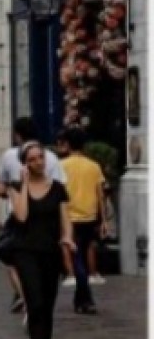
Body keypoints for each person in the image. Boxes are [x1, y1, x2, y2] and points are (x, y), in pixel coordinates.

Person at [6, 142, 76, 339]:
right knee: (34, 300)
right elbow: (22, 215)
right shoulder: (16, 187)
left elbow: (65, 218)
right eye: (32, 159)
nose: (38, 163)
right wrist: (25, 183)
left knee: (47, 304)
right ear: (24, 164)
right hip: (25, 251)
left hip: (50, 251)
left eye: (40, 158)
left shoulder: (57, 188)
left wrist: (67, 238)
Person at [0, 117, 67, 315]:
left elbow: (3, 183)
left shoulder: (9, 155)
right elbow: (62, 186)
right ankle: (30, 297)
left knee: (15, 260)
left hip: (20, 218)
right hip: (46, 219)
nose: (38, 162)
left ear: (17, 135)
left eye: (39, 159)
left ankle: (24, 295)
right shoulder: (51, 157)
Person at [58, 128, 109, 315]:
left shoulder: (61, 166)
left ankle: (85, 298)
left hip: (69, 218)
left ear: (67, 144)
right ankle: (81, 299)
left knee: (77, 258)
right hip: (90, 216)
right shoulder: (93, 166)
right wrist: (104, 220)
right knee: (82, 255)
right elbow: (100, 194)